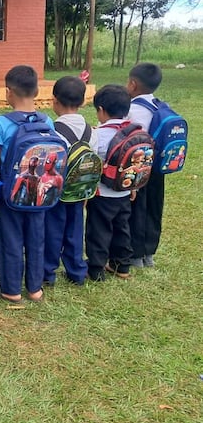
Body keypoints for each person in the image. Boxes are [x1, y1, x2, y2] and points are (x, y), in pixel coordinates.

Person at [0, 65, 52, 304]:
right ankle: (35, 289)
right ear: (36, 91)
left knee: (10, 239)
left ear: (8, 92)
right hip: (42, 193)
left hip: (11, 193)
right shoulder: (48, 121)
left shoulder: (1, 123)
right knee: (37, 238)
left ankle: (11, 290)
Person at [43, 76, 94, 286]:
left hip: (57, 191)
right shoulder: (92, 130)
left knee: (53, 231)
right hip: (81, 189)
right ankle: (77, 271)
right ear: (83, 102)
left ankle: (47, 272)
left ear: (54, 100)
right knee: (75, 229)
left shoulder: (52, 130)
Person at [85, 85, 134, 281]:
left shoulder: (97, 136)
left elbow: (91, 165)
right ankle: (122, 266)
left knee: (99, 231)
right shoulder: (134, 131)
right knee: (122, 228)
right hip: (124, 191)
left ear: (101, 110)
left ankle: (96, 269)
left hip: (102, 193)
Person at [126, 62, 164, 269]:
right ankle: (149, 253)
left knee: (137, 208)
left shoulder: (132, 109)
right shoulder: (160, 105)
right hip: (159, 168)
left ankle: (135, 254)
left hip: (139, 166)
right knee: (154, 208)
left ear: (132, 84)